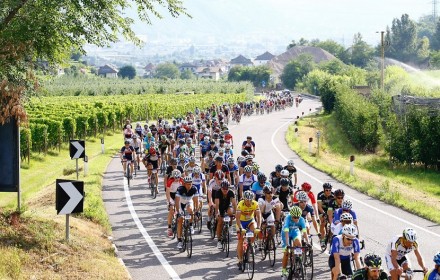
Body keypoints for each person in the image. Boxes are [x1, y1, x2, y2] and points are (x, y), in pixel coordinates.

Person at [280, 206, 309, 280]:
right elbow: (286, 231)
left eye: (297, 217)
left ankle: (298, 259)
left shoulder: (301, 219)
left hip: (295, 232)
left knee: (299, 244)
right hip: (286, 233)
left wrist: (308, 242)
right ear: (291, 215)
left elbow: (304, 232)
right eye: (294, 217)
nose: (296, 219)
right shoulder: (288, 218)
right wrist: (287, 244)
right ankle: (284, 271)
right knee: (286, 253)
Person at [235, 190, 261, 270]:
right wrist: (240, 228)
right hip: (241, 222)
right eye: (247, 200)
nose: (249, 202)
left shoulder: (255, 204)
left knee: (254, 229)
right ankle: (240, 259)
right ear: (244, 199)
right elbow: (237, 218)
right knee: (240, 240)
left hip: (250, 221)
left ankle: (251, 244)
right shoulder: (240, 204)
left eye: (250, 200)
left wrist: (258, 227)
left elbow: (258, 216)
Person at [175, 176, 199, 250]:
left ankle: (191, 225)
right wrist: (178, 212)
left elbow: (196, 202)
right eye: (187, 184)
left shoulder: (194, 189)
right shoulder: (180, 189)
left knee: (191, 210)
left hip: (189, 201)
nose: (189, 185)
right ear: (184, 184)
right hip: (181, 203)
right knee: (180, 220)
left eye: (190, 184)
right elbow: (177, 202)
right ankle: (179, 240)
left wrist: (197, 211)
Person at [215, 180, 237, 249]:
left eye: (226, 188)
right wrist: (217, 213)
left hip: (227, 206)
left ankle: (230, 226)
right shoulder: (218, 193)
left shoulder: (231, 192)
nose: (225, 190)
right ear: (221, 188)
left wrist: (235, 213)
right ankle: (219, 240)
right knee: (220, 222)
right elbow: (217, 204)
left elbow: (234, 203)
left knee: (230, 212)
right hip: (220, 207)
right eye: (223, 189)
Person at [166, 169, 183, 237]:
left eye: (178, 177)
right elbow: (167, 192)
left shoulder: (182, 180)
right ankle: (169, 227)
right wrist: (169, 201)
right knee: (171, 210)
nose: (177, 179)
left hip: (178, 195)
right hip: (171, 195)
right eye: (175, 178)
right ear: (173, 176)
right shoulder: (170, 181)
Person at [318, 182, 335, 247]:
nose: (328, 191)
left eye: (330, 190)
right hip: (322, 210)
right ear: (324, 190)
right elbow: (319, 207)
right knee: (323, 222)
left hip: (330, 210)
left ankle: (330, 235)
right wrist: (324, 213)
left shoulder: (333, 195)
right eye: (326, 190)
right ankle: (322, 239)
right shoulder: (320, 195)